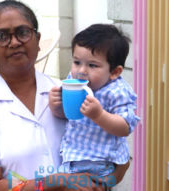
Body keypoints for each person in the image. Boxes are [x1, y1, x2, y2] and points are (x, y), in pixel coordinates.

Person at [0, 0, 129, 191]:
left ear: (38, 40)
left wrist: (106, 183)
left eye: (23, 33)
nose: (14, 42)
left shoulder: (71, 93)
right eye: (1, 36)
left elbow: (121, 160)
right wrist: (58, 181)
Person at [49, 24, 139, 177]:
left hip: (99, 163)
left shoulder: (116, 91)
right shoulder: (73, 81)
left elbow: (125, 127)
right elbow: (69, 115)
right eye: (77, 62)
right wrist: (56, 107)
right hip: (71, 156)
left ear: (114, 72)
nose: (81, 71)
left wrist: (99, 115)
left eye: (92, 65)